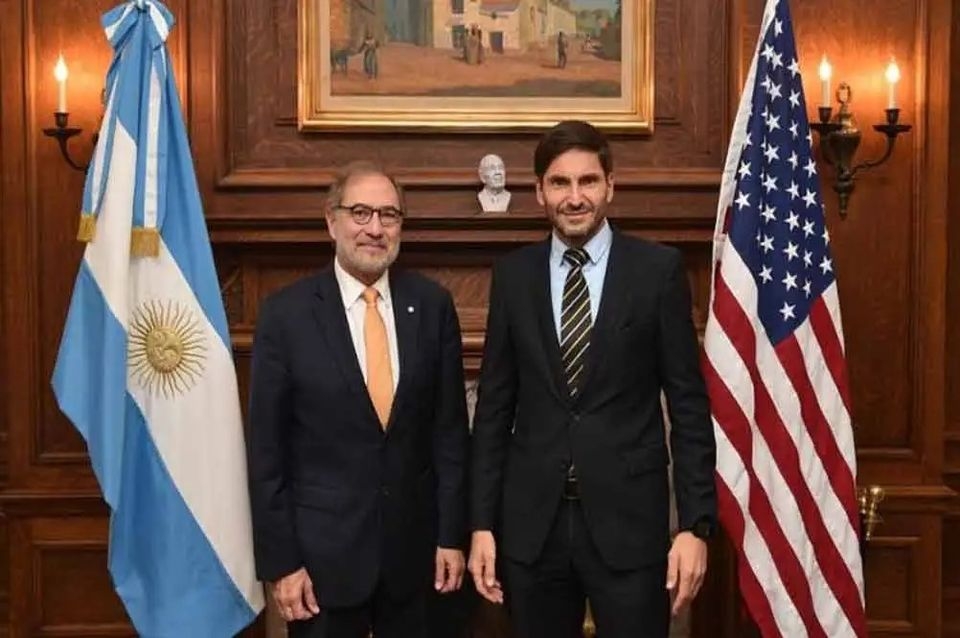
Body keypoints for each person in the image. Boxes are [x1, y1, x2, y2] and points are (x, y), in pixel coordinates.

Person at [468, 120, 717, 638]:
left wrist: (694, 526)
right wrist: (481, 524)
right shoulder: (513, 276)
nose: (575, 197)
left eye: (588, 181)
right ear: (540, 191)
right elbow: (492, 411)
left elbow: (689, 408)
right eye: (560, 183)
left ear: (610, 186)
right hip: (532, 529)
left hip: (631, 528)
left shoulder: (657, 271)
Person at [247, 161, 470, 638]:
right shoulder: (286, 314)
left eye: (389, 215)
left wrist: (452, 536)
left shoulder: (432, 306)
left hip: (418, 561)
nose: (375, 228)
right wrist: (283, 563)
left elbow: (450, 435)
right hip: (320, 565)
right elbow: (266, 453)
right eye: (361, 213)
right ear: (332, 221)